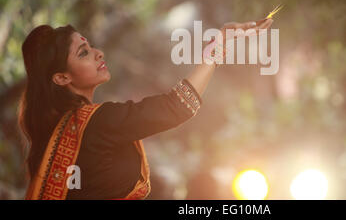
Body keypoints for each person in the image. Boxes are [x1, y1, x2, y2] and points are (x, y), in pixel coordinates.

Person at [19, 18, 273, 200]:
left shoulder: (52, 136)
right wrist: (220, 46)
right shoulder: (98, 122)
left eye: (91, 46)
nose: (98, 53)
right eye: (84, 53)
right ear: (62, 78)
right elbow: (179, 105)